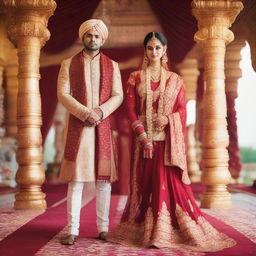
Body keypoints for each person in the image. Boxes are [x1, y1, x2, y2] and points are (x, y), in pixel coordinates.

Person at [106, 32, 236, 252]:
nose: (153, 52)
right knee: (146, 183)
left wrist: (167, 119)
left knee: (168, 183)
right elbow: (130, 109)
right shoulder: (135, 78)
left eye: (157, 47)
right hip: (143, 142)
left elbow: (182, 110)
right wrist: (142, 135)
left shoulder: (175, 80)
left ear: (164, 50)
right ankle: (144, 231)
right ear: (145, 50)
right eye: (149, 48)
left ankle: (167, 231)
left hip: (167, 143)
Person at [57, 19, 123, 245]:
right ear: (82, 37)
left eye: (96, 36)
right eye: (89, 35)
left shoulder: (112, 65)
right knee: (76, 180)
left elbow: (118, 95)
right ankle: (72, 230)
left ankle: (103, 228)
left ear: (102, 39)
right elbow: (63, 94)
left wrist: (100, 112)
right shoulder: (68, 63)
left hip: (101, 126)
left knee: (103, 181)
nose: (92, 39)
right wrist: (85, 112)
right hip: (79, 127)